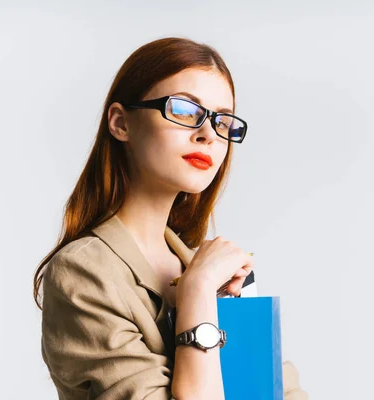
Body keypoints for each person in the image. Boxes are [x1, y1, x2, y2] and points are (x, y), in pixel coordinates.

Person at [33, 37, 308, 400]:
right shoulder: (84, 272)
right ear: (120, 123)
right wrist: (197, 291)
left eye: (222, 121)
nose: (208, 134)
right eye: (183, 110)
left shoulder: (214, 272)